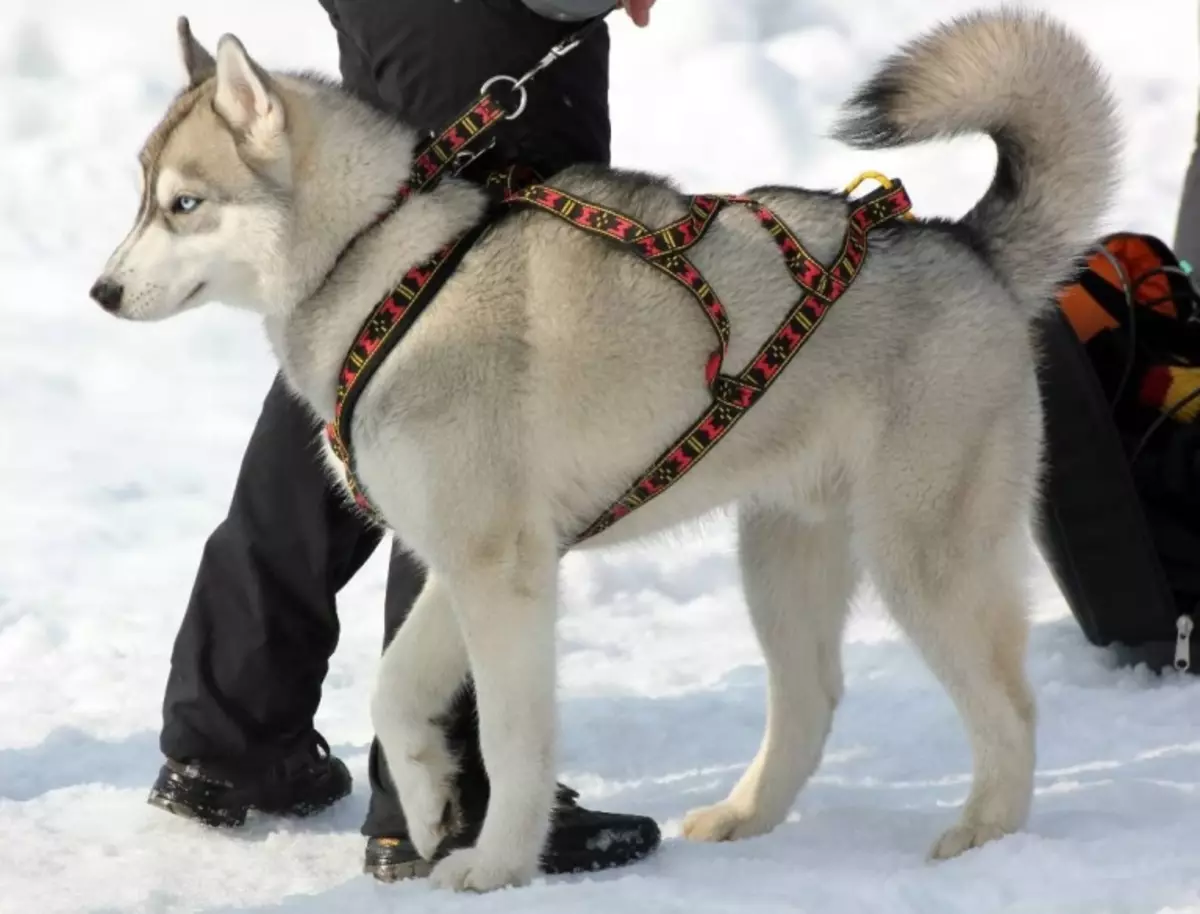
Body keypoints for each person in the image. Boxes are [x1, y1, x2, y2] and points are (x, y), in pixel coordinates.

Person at [146, 0, 661, 883]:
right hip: (501, 20)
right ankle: (448, 795)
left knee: (376, 314)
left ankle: (234, 735)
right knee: (470, 370)